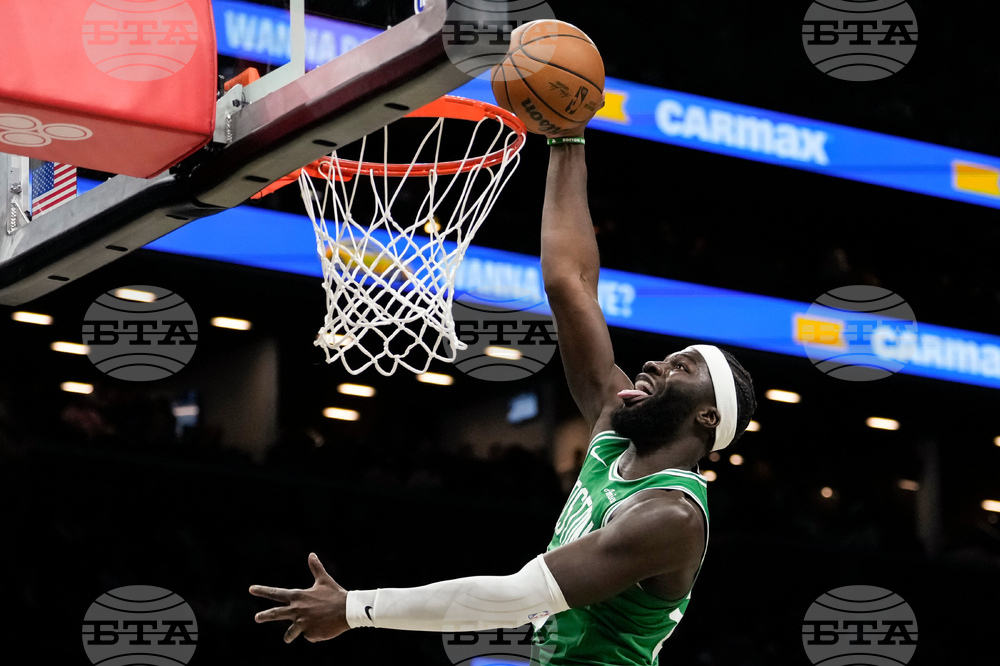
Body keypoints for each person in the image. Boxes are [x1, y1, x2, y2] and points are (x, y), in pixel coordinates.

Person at [249, 134, 757, 665]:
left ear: (708, 415)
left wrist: (356, 608)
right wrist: (568, 140)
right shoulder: (617, 421)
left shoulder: (670, 516)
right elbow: (571, 283)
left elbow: (518, 599)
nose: (655, 363)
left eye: (682, 368)